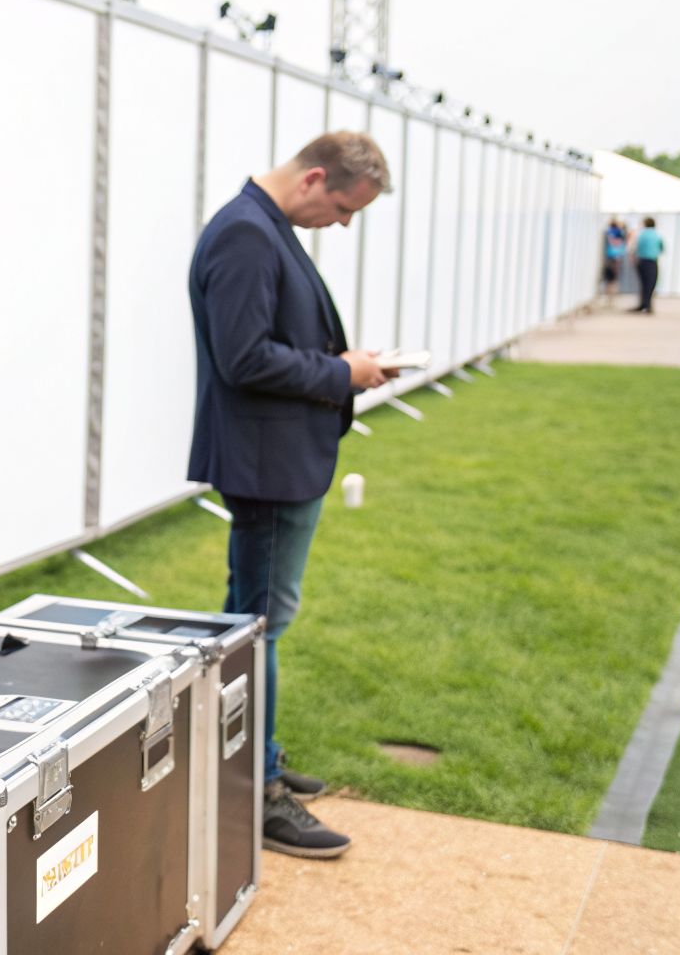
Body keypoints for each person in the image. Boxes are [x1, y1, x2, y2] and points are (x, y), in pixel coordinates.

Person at [187, 131, 394, 860]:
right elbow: (244, 359)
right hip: (267, 465)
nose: (342, 223)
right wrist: (342, 374)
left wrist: (347, 366)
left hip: (276, 459)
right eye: (343, 208)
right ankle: (258, 789)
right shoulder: (247, 233)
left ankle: (250, 756)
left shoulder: (262, 225)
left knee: (249, 622)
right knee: (259, 626)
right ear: (313, 179)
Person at [630, 217, 664, 313]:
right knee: (651, 284)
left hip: (641, 261)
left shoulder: (640, 234)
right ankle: (647, 305)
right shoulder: (657, 235)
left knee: (643, 284)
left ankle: (643, 304)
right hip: (652, 261)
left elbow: (634, 247)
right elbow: (662, 248)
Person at [602, 219, 627, 305]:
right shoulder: (621, 233)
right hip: (617, 258)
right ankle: (612, 297)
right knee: (614, 278)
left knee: (609, 278)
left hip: (610, 257)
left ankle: (608, 297)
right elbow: (623, 245)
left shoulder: (609, 232)